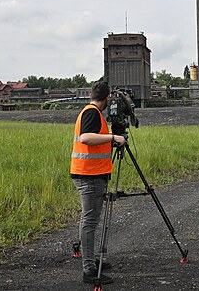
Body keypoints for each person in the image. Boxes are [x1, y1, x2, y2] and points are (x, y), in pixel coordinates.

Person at [70, 81, 126, 285]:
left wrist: (109, 139)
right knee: (90, 221)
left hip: (92, 174)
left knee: (89, 220)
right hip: (89, 176)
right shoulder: (92, 113)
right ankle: (89, 270)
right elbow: (85, 138)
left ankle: (90, 259)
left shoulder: (92, 112)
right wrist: (113, 136)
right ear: (107, 97)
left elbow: (95, 141)